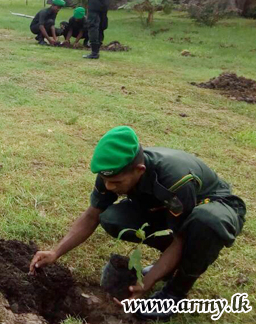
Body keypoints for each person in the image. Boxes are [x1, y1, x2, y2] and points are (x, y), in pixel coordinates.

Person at [29, 126, 246, 321]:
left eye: (116, 183)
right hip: (166, 207)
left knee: (203, 224)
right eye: (105, 181)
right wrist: (56, 252)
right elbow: (92, 215)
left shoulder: (174, 180)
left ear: (139, 170)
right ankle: (170, 266)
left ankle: (174, 292)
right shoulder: (112, 170)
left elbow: (180, 238)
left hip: (212, 205)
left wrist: (148, 281)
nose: (109, 187)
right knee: (112, 218)